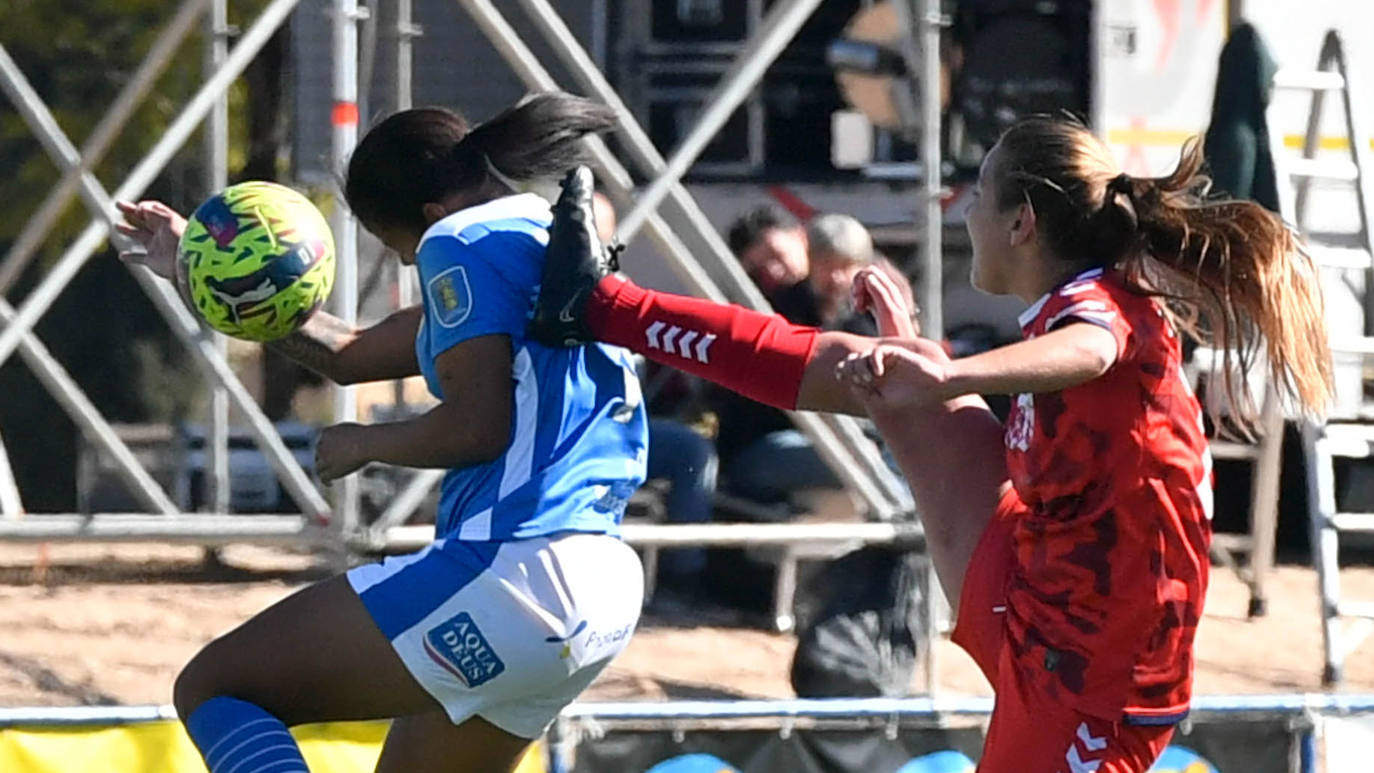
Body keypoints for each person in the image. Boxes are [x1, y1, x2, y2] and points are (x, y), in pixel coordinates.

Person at [528, 117, 1332, 771]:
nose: (963, 211)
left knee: (904, 377)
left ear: (1021, 220)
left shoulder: (1097, 309)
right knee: (874, 368)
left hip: (1096, 686)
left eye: (977, 194)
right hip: (1036, 589)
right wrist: (920, 355)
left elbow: (1091, 353)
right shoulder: (1072, 298)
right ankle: (599, 305)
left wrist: (948, 382)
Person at [115, 93, 649, 773]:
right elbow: (350, 351)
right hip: (600, 589)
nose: (405, 266)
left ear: (429, 217)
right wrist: (203, 266)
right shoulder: (542, 242)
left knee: (217, 687)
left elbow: (478, 427)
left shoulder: (461, 242)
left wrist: (362, 445)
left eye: (398, 248)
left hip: (513, 569)